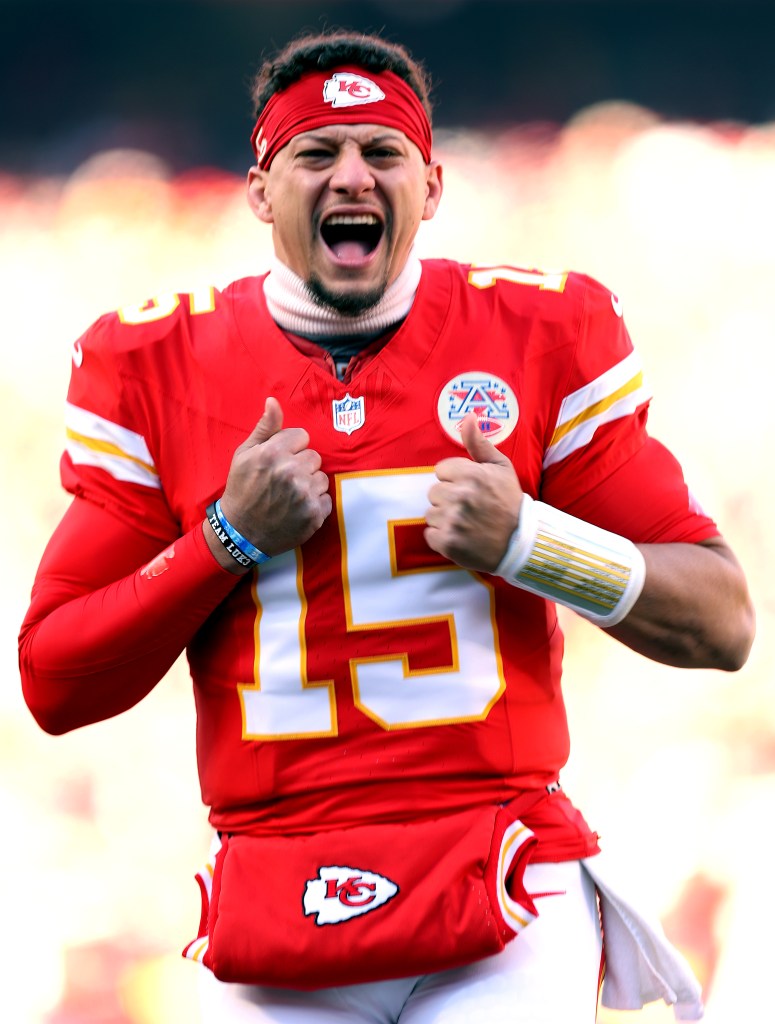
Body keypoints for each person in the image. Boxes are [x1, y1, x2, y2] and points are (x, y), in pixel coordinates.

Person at [19, 27, 754, 1024]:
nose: (351, 176)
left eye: (381, 151)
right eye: (316, 152)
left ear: (432, 186)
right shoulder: (156, 363)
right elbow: (55, 679)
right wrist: (226, 538)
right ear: (260, 192)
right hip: (278, 892)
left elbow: (720, 621)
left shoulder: (538, 334)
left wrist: (531, 543)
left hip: (502, 875)